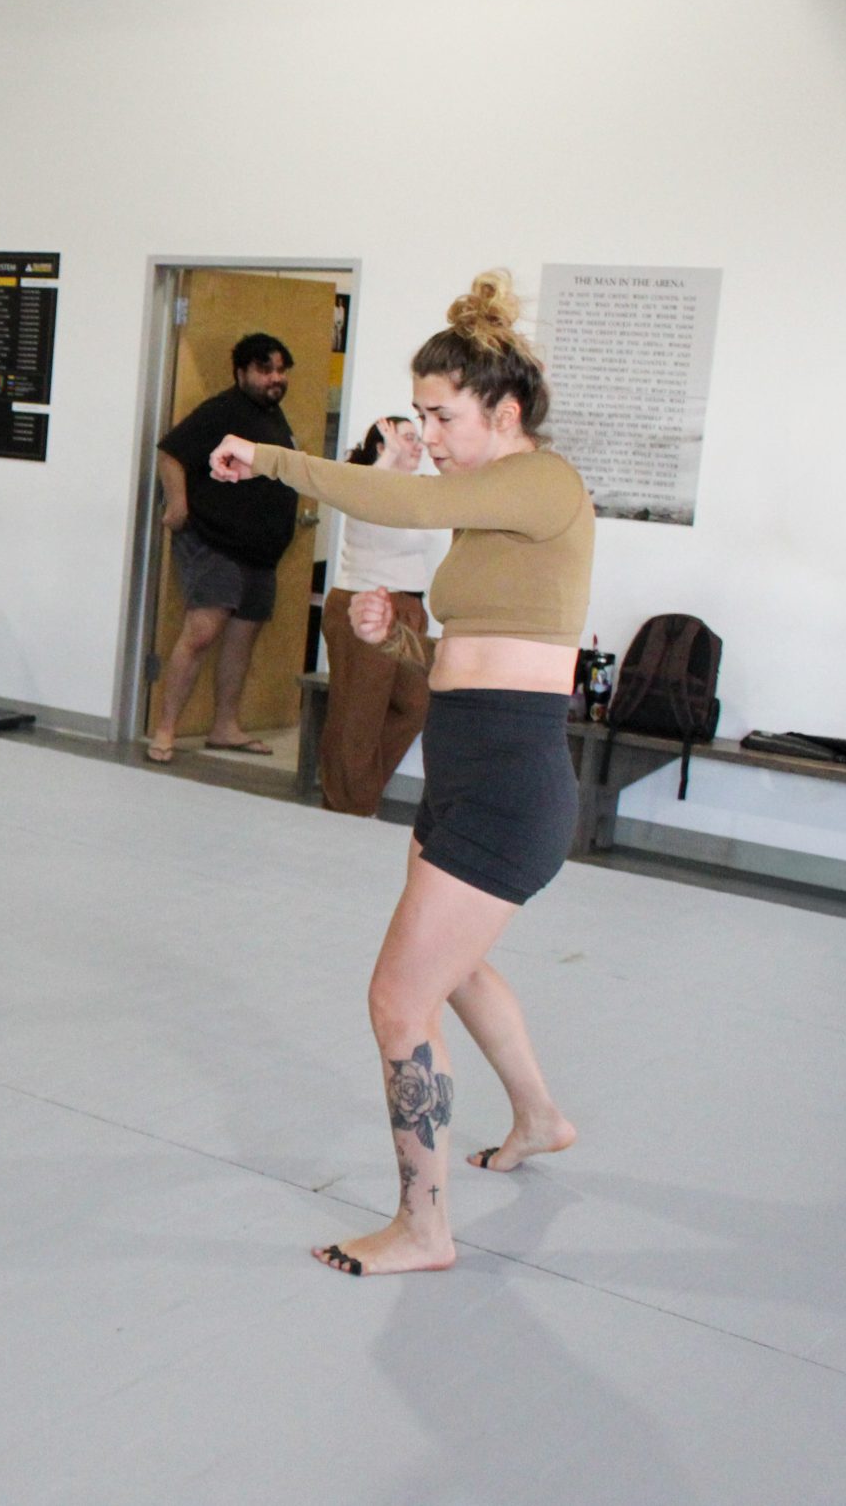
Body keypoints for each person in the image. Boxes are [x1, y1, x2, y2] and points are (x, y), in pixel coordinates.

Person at [209, 270, 589, 1277]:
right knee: (450, 971)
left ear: (504, 413)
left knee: (397, 999)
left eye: (443, 415)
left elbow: (402, 495)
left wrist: (272, 457)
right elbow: (482, 659)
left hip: (509, 785)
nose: (429, 435)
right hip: (463, 767)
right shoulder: (489, 510)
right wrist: (400, 640)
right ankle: (540, 1117)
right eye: (419, 414)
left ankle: (424, 1226)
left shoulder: (544, 485)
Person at [149, 332, 302, 763]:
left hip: (261, 552)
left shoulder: (275, 418)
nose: (275, 378)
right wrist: (177, 504)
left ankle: (225, 727)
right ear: (241, 372)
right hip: (215, 541)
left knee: (242, 638)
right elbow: (170, 453)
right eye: (265, 369)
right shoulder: (222, 411)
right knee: (202, 632)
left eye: (281, 370)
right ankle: (165, 731)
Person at [318, 416, 438, 816]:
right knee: (358, 713)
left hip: (409, 609)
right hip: (365, 606)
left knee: (415, 703)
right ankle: (347, 806)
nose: (417, 445)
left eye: (418, 438)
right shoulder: (364, 485)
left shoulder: (416, 490)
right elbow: (368, 493)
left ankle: (359, 793)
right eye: (407, 438)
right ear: (383, 446)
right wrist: (387, 457)